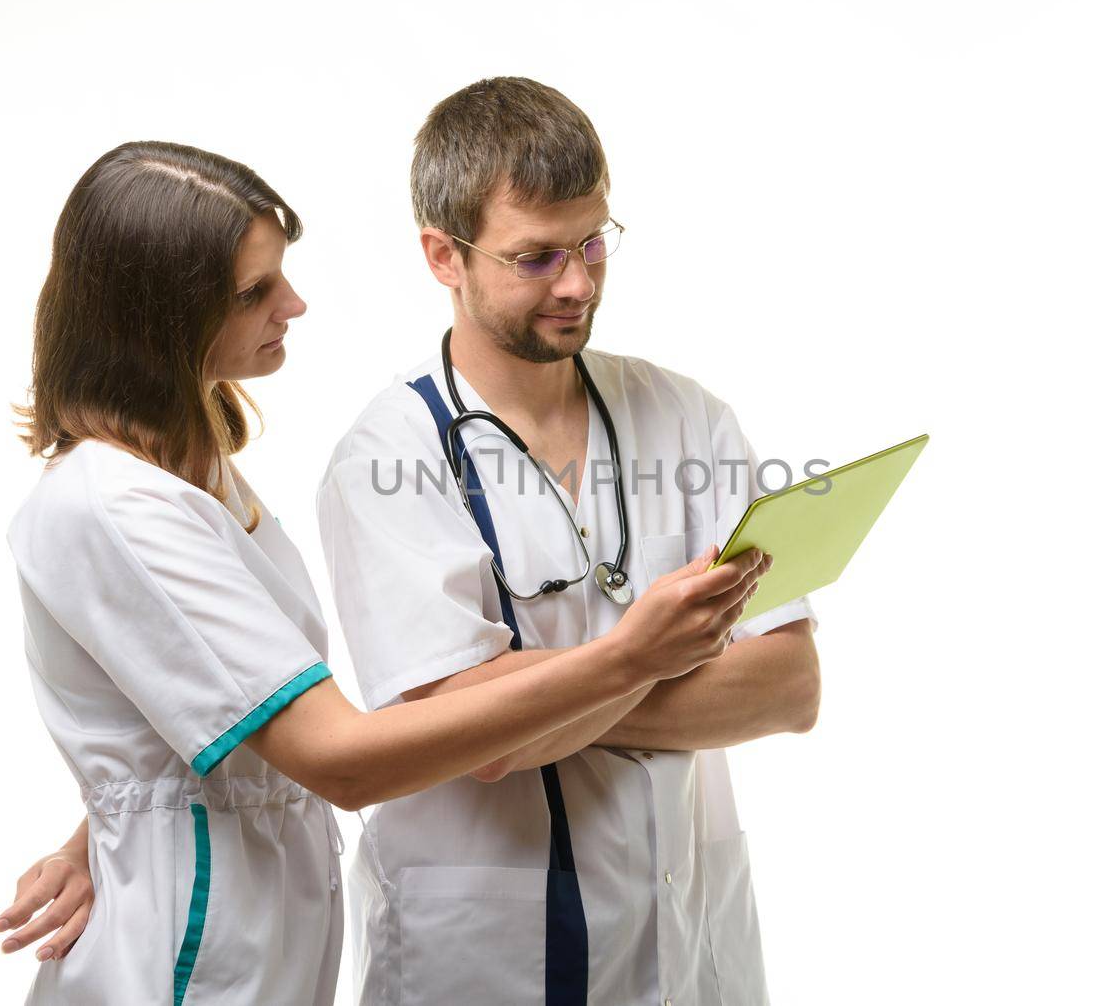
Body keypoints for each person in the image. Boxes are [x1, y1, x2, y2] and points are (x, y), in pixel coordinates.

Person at [0, 140, 770, 1005]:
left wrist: (103, 828)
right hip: (179, 963)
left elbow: (197, 708)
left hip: (258, 942)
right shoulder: (113, 502)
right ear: (156, 318)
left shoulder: (195, 474)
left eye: (591, 245)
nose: (294, 302)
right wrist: (632, 655)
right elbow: (343, 759)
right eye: (253, 292)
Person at [318, 78, 821, 1006]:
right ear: (443, 254)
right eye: (537, 257)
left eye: (593, 242)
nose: (579, 282)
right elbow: (467, 740)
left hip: (688, 936)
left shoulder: (689, 417)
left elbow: (789, 687)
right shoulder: (387, 456)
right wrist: (646, 658)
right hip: (484, 953)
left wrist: (526, 698)